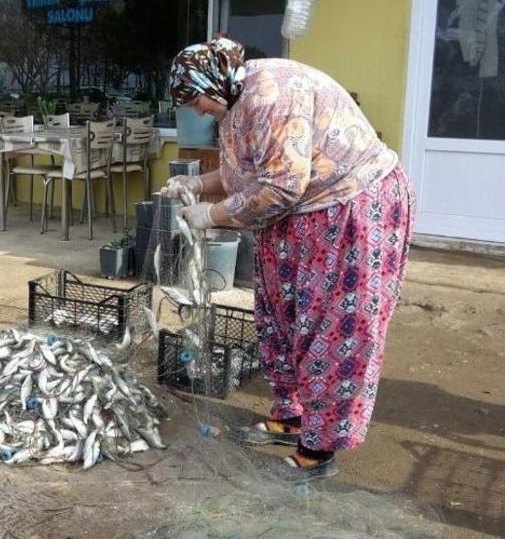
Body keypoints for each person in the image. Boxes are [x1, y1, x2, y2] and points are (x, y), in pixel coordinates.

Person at [162, 37, 415, 479]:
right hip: (297, 219)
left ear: (212, 81)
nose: (197, 110)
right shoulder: (234, 101)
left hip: (348, 207)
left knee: (330, 326)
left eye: (195, 99)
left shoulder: (272, 93)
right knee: (280, 317)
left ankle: (319, 449)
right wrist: (198, 186)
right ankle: (293, 415)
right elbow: (245, 168)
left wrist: (212, 215)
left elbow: (280, 186)